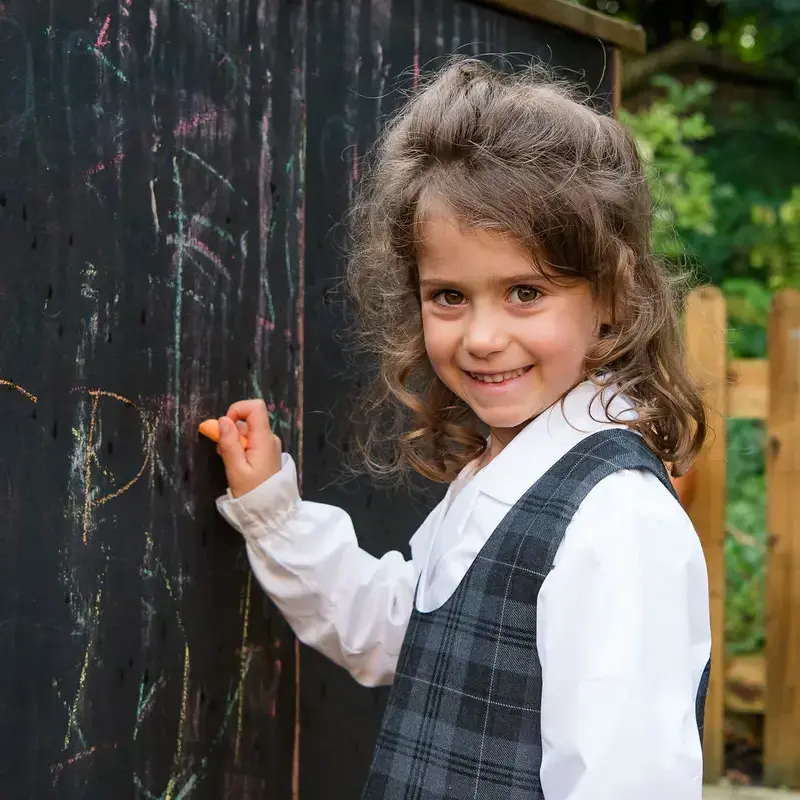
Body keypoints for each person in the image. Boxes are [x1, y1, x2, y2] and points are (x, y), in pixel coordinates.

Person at [212, 57, 711, 799]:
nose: (481, 336)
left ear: (612, 292)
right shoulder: (503, 474)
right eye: (449, 295)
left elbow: (627, 779)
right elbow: (401, 635)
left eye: (524, 292)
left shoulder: (617, 520)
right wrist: (275, 519)